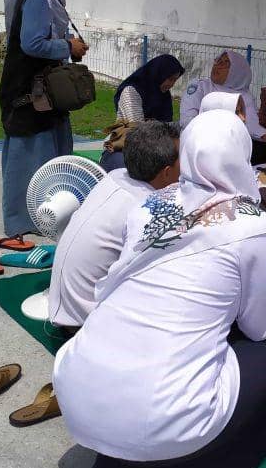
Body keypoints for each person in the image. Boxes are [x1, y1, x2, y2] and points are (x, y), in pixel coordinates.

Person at [53, 110, 266, 468]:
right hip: (167, 423)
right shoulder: (254, 227)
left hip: (76, 393)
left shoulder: (148, 205)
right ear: (241, 156)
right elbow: (260, 327)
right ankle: (250, 444)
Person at [49, 121, 180, 333]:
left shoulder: (115, 177)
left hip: (66, 305)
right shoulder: (146, 209)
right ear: (166, 172)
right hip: (88, 321)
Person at [0, 0, 89, 240]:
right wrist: (67, 46)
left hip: (43, 91)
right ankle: (26, 219)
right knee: (29, 151)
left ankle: (48, 212)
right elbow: (32, 43)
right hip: (30, 92)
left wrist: (68, 48)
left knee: (47, 147)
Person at [201, 91, 266, 286]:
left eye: (242, 111)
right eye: (236, 111)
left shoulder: (236, 142)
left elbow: (246, 176)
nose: (243, 117)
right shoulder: (206, 152)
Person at [100, 54, 184, 171]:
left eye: (175, 80)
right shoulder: (131, 91)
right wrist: (167, 127)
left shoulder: (163, 94)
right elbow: (138, 130)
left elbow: (167, 126)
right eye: (170, 79)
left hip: (153, 148)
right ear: (159, 74)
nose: (172, 84)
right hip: (125, 147)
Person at [180, 49, 266, 140]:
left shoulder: (245, 96)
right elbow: (188, 120)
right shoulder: (200, 86)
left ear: (237, 70)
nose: (217, 66)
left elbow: (252, 126)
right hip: (197, 141)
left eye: (225, 63)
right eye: (218, 61)